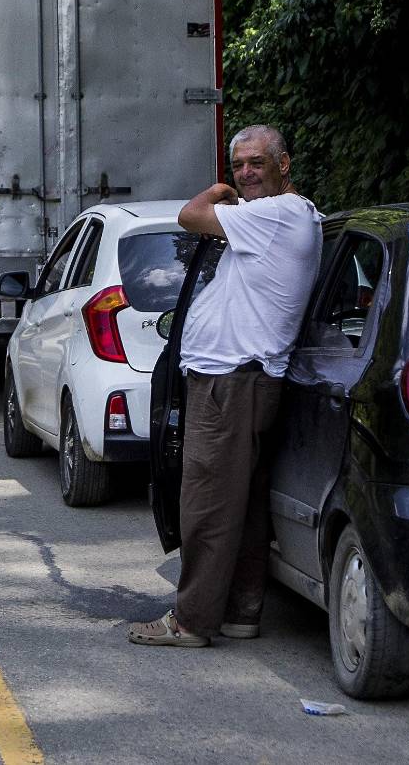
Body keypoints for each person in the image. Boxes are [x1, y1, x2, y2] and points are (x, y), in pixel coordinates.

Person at [129, 124, 322, 647]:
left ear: (285, 164)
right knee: (244, 506)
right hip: (243, 381)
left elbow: (190, 215)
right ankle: (240, 612)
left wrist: (218, 192)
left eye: (256, 163)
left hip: (231, 383)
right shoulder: (285, 217)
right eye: (237, 166)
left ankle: (191, 620)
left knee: (207, 507)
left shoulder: (276, 214)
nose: (245, 174)